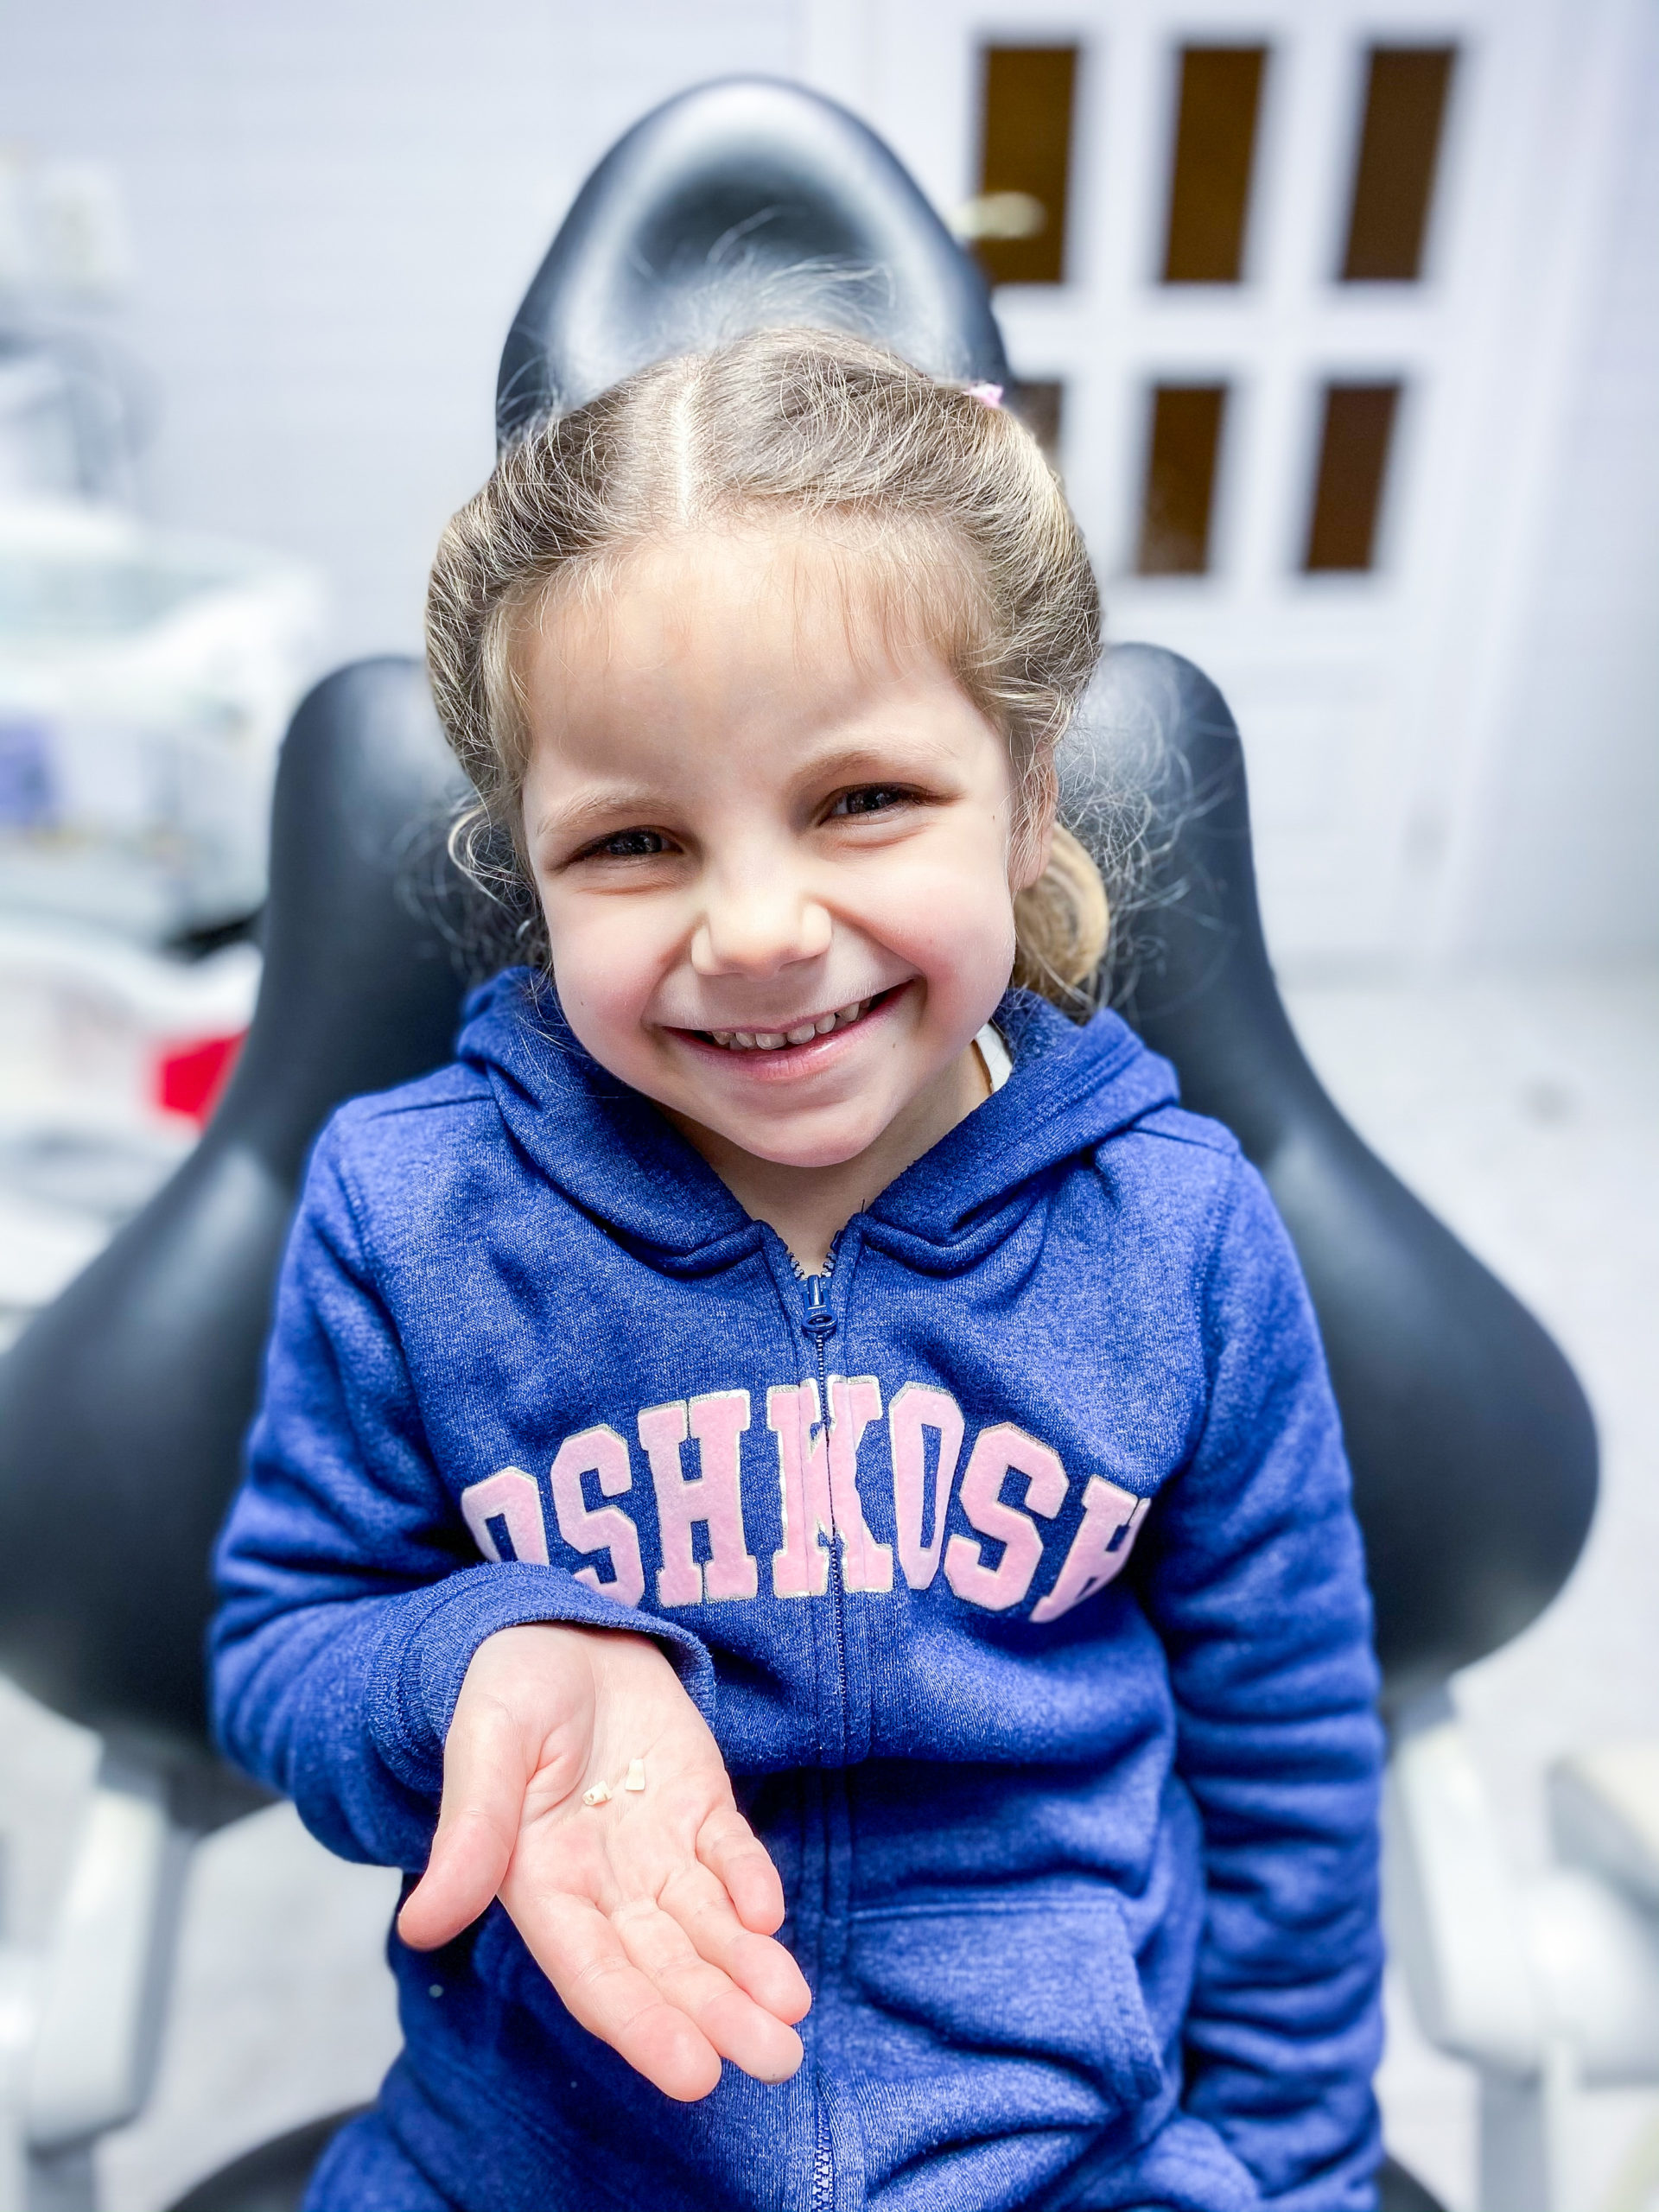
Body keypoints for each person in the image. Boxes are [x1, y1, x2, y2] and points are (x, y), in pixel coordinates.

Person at [212, 328, 1384, 2212]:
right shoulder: (411, 1213)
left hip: (1067, 2153)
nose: (758, 929)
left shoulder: (1178, 1233)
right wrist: (477, 1655)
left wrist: (1291, 2171)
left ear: (1026, 793)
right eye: (634, 839)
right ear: (527, 862)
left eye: (862, 801)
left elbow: (1293, 1765)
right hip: (544, 2154)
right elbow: (282, 1643)